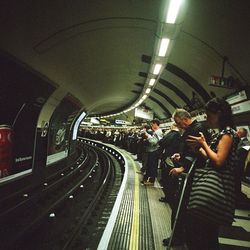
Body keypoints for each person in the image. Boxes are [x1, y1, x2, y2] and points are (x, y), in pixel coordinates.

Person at [185, 97, 239, 250]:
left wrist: (203, 144)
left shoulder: (227, 133)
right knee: (205, 233)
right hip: (212, 190)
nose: (207, 118)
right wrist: (200, 149)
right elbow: (212, 157)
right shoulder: (220, 134)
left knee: (204, 234)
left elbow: (219, 161)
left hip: (215, 190)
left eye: (209, 115)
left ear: (220, 114)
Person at [162, 109, 210, 247]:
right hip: (192, 174)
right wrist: (180, 156)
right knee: (182, 207)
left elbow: (195, 154)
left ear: (184, 119)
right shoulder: (194, 128)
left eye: (177, 122)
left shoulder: (196, 129)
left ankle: (178, 237)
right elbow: (191, 151)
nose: (177, 125)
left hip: (192, 176)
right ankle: (182, 236)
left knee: (180, 207)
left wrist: (183, 167)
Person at [158, 124, 181, 203]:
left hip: (169, 159)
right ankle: (171, 196)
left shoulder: (173, 134)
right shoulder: (179, 134)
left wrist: (168, 133)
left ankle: (168, 197)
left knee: (167, 178)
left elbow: (161, 142)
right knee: (173, 179)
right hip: (175, 158)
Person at [142, 119, 163, 185]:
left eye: (152, 124)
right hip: (152, 150)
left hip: (154, 151)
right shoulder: (156, 132)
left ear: (155, 124)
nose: (151, 126)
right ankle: (149, 179)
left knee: (152, 166)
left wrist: (147, 136)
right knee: (150, 165)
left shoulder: (158, 132)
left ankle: (151, 181)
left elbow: (154, 142)